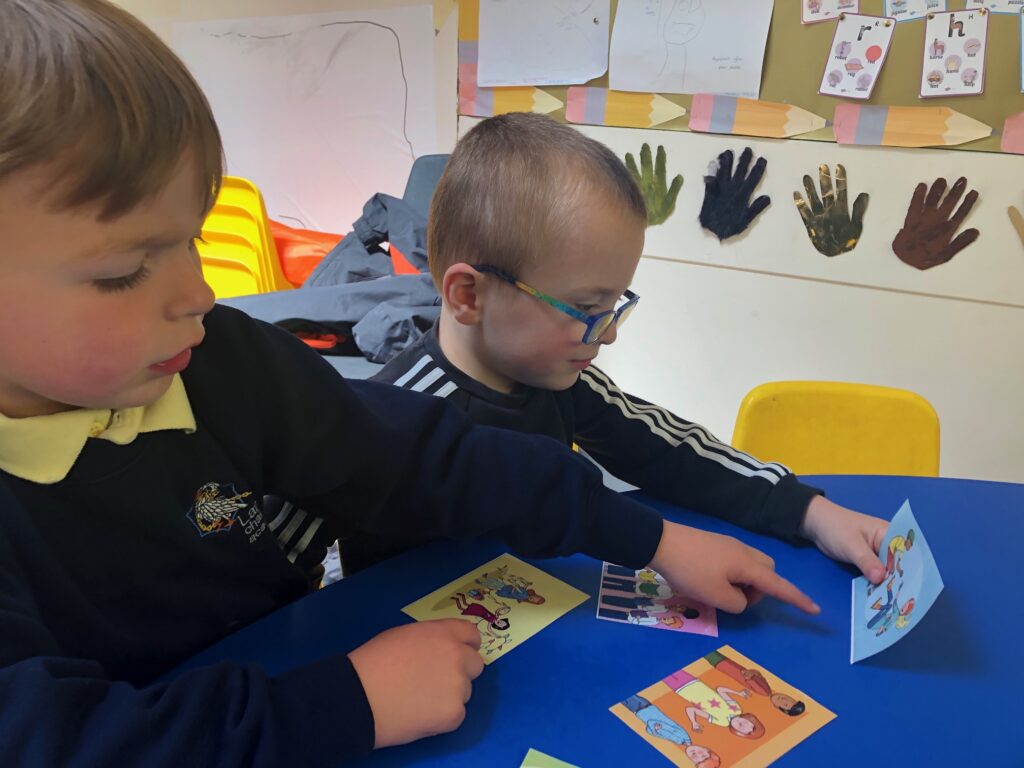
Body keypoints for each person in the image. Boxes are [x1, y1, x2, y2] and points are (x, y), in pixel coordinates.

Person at [0, 2, 817, 765]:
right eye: (124, 272)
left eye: (190, 240)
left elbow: (421, 458)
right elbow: (63, 743)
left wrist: (653, 539)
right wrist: (343, 705)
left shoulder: (215, 358)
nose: (198, 294)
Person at [317, 112, 889, 584]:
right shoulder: (388, 417)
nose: (608, 332)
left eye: (615, 306)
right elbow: (308, 559)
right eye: (587, 310)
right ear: (469, 295)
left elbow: (673, 451)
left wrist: (811, 511)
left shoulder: (560, 379)